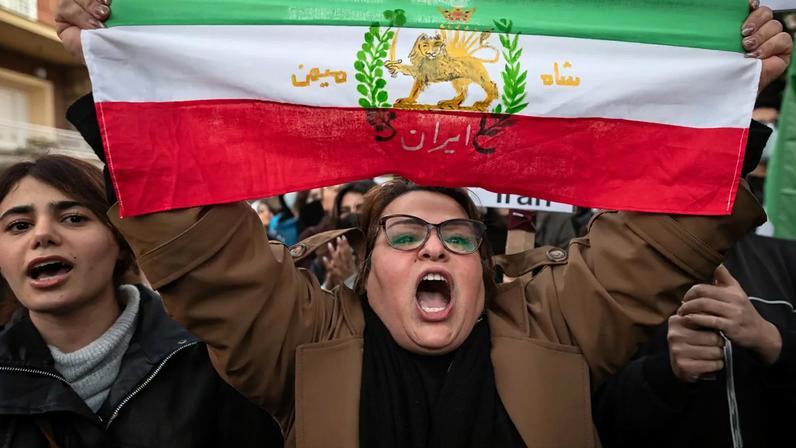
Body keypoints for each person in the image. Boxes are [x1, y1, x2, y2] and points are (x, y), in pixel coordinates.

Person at [56, 2, 790, 447]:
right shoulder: (297, 344)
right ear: (365, 266)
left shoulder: (560, 330)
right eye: (404, 235)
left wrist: (724, 101)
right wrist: (126, 76)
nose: (434, 245)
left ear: (485, 267)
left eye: (458, 237)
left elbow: (656, 243)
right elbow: (203, 252)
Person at [0, 156, 283, 447]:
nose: (42, 235)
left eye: (74, 218)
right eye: (19, 225)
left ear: (122, 242)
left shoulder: (212, 359)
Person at [593, 240, 796, 447]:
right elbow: (596, 411)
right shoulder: (609, 271)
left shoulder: (786, 257)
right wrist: (665, 373)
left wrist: (772, 340)